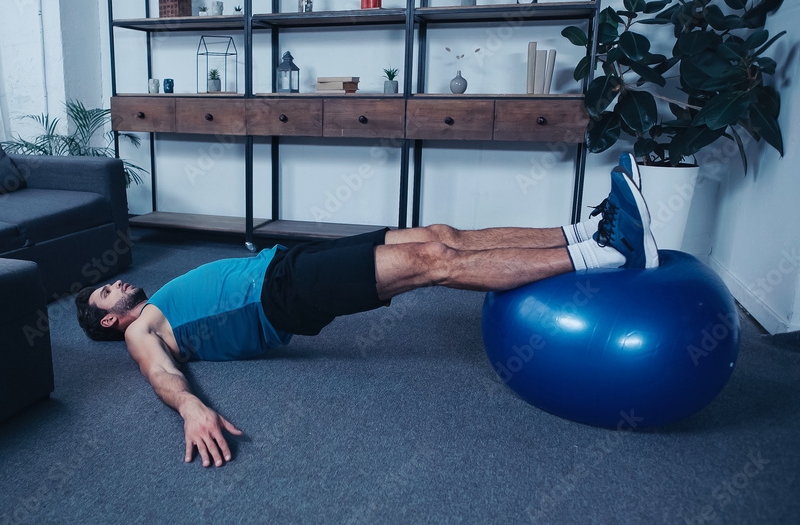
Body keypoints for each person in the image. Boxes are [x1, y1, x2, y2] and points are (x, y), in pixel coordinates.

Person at [75, 153, 659, 468]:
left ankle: (585, 228)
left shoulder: (157, 301)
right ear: (110, 321)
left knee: (439, 233)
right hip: (282, 293)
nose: (117, 284)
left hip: (286, 262)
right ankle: (603, 252)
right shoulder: (140, 332)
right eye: (106, 293)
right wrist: (190, 410)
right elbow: (162, 375)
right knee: (435, 260)